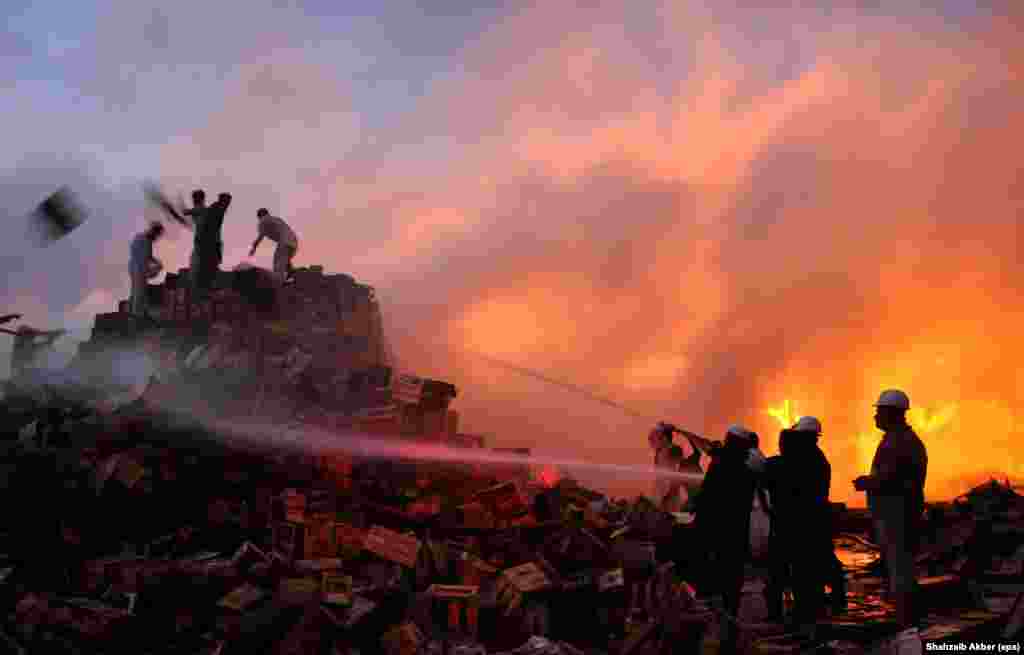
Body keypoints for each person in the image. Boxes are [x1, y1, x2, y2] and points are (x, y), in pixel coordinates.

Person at [854, 389, 928, 630]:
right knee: (902, 568)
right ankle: (908, 618)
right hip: (898, 514)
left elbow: (892, 480)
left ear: (891, 413)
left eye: (879, 411)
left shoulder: (899, 442)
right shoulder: (901, 439)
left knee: (900, 570)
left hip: (897, 516)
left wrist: (868, 482)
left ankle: (906, 623)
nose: (875, 417)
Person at [762, 416, 832, 632]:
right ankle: (806, 614)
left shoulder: (797, 462)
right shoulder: (816, 460)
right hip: (808, 525)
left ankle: (789, 618)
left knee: (784, 572)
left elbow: (773, 475)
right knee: (804, 573)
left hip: (792, 526)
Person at [694, 424, 757, 655]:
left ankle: (720, 630)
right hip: (735, 533)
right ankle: (727, 630)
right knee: (731, 582)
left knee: (716, 581)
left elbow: (708, 497)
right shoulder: (745, 466)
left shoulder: (725, 465)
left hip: (718, 533)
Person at [190, 192, 231, 296]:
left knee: (207, 266)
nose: (227, 206)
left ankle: (205, 288)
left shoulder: (213, 208)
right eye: (226, 203)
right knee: (205, 266)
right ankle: (204, 289)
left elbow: (200, 214)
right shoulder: (213, 207)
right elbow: (201, 212)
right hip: (207, 243)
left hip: (208, 242)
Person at [250, 208, 299, 283]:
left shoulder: (263, 221)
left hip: (284, 242)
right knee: (284, 260)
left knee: (278, 261)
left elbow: (261, 236)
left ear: (260, 216)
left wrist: (253, 248)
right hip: (294, 242)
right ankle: (292, 274)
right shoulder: (276, 219)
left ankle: (279, 282)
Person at [129, 222, 165, 321]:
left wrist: (157, 262)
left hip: (140, 268)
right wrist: (153, 266)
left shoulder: (147, 241)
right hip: (137, 268)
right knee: (138, 291)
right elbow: (140, 256)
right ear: (153, 231)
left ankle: (140, 313)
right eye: (157, 234)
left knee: (140, 291)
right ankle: (136, 315)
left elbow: (148, 256)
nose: (156, 238)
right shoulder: (141, 238)